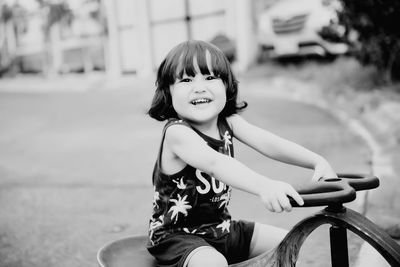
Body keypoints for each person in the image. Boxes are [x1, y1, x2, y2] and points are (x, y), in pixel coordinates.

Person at [146, 40, 337, 267]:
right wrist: (264, 185)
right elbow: (215, 163)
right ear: (168, 91)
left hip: (222, 229)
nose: (199, 87)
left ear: (226, 85)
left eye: (209, 78)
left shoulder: (229, 122)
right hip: (176, 236)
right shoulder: (177, 133)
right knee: (212, 263)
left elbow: (268, 143)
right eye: (186, 80)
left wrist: (316, 161)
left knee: (288, 243)